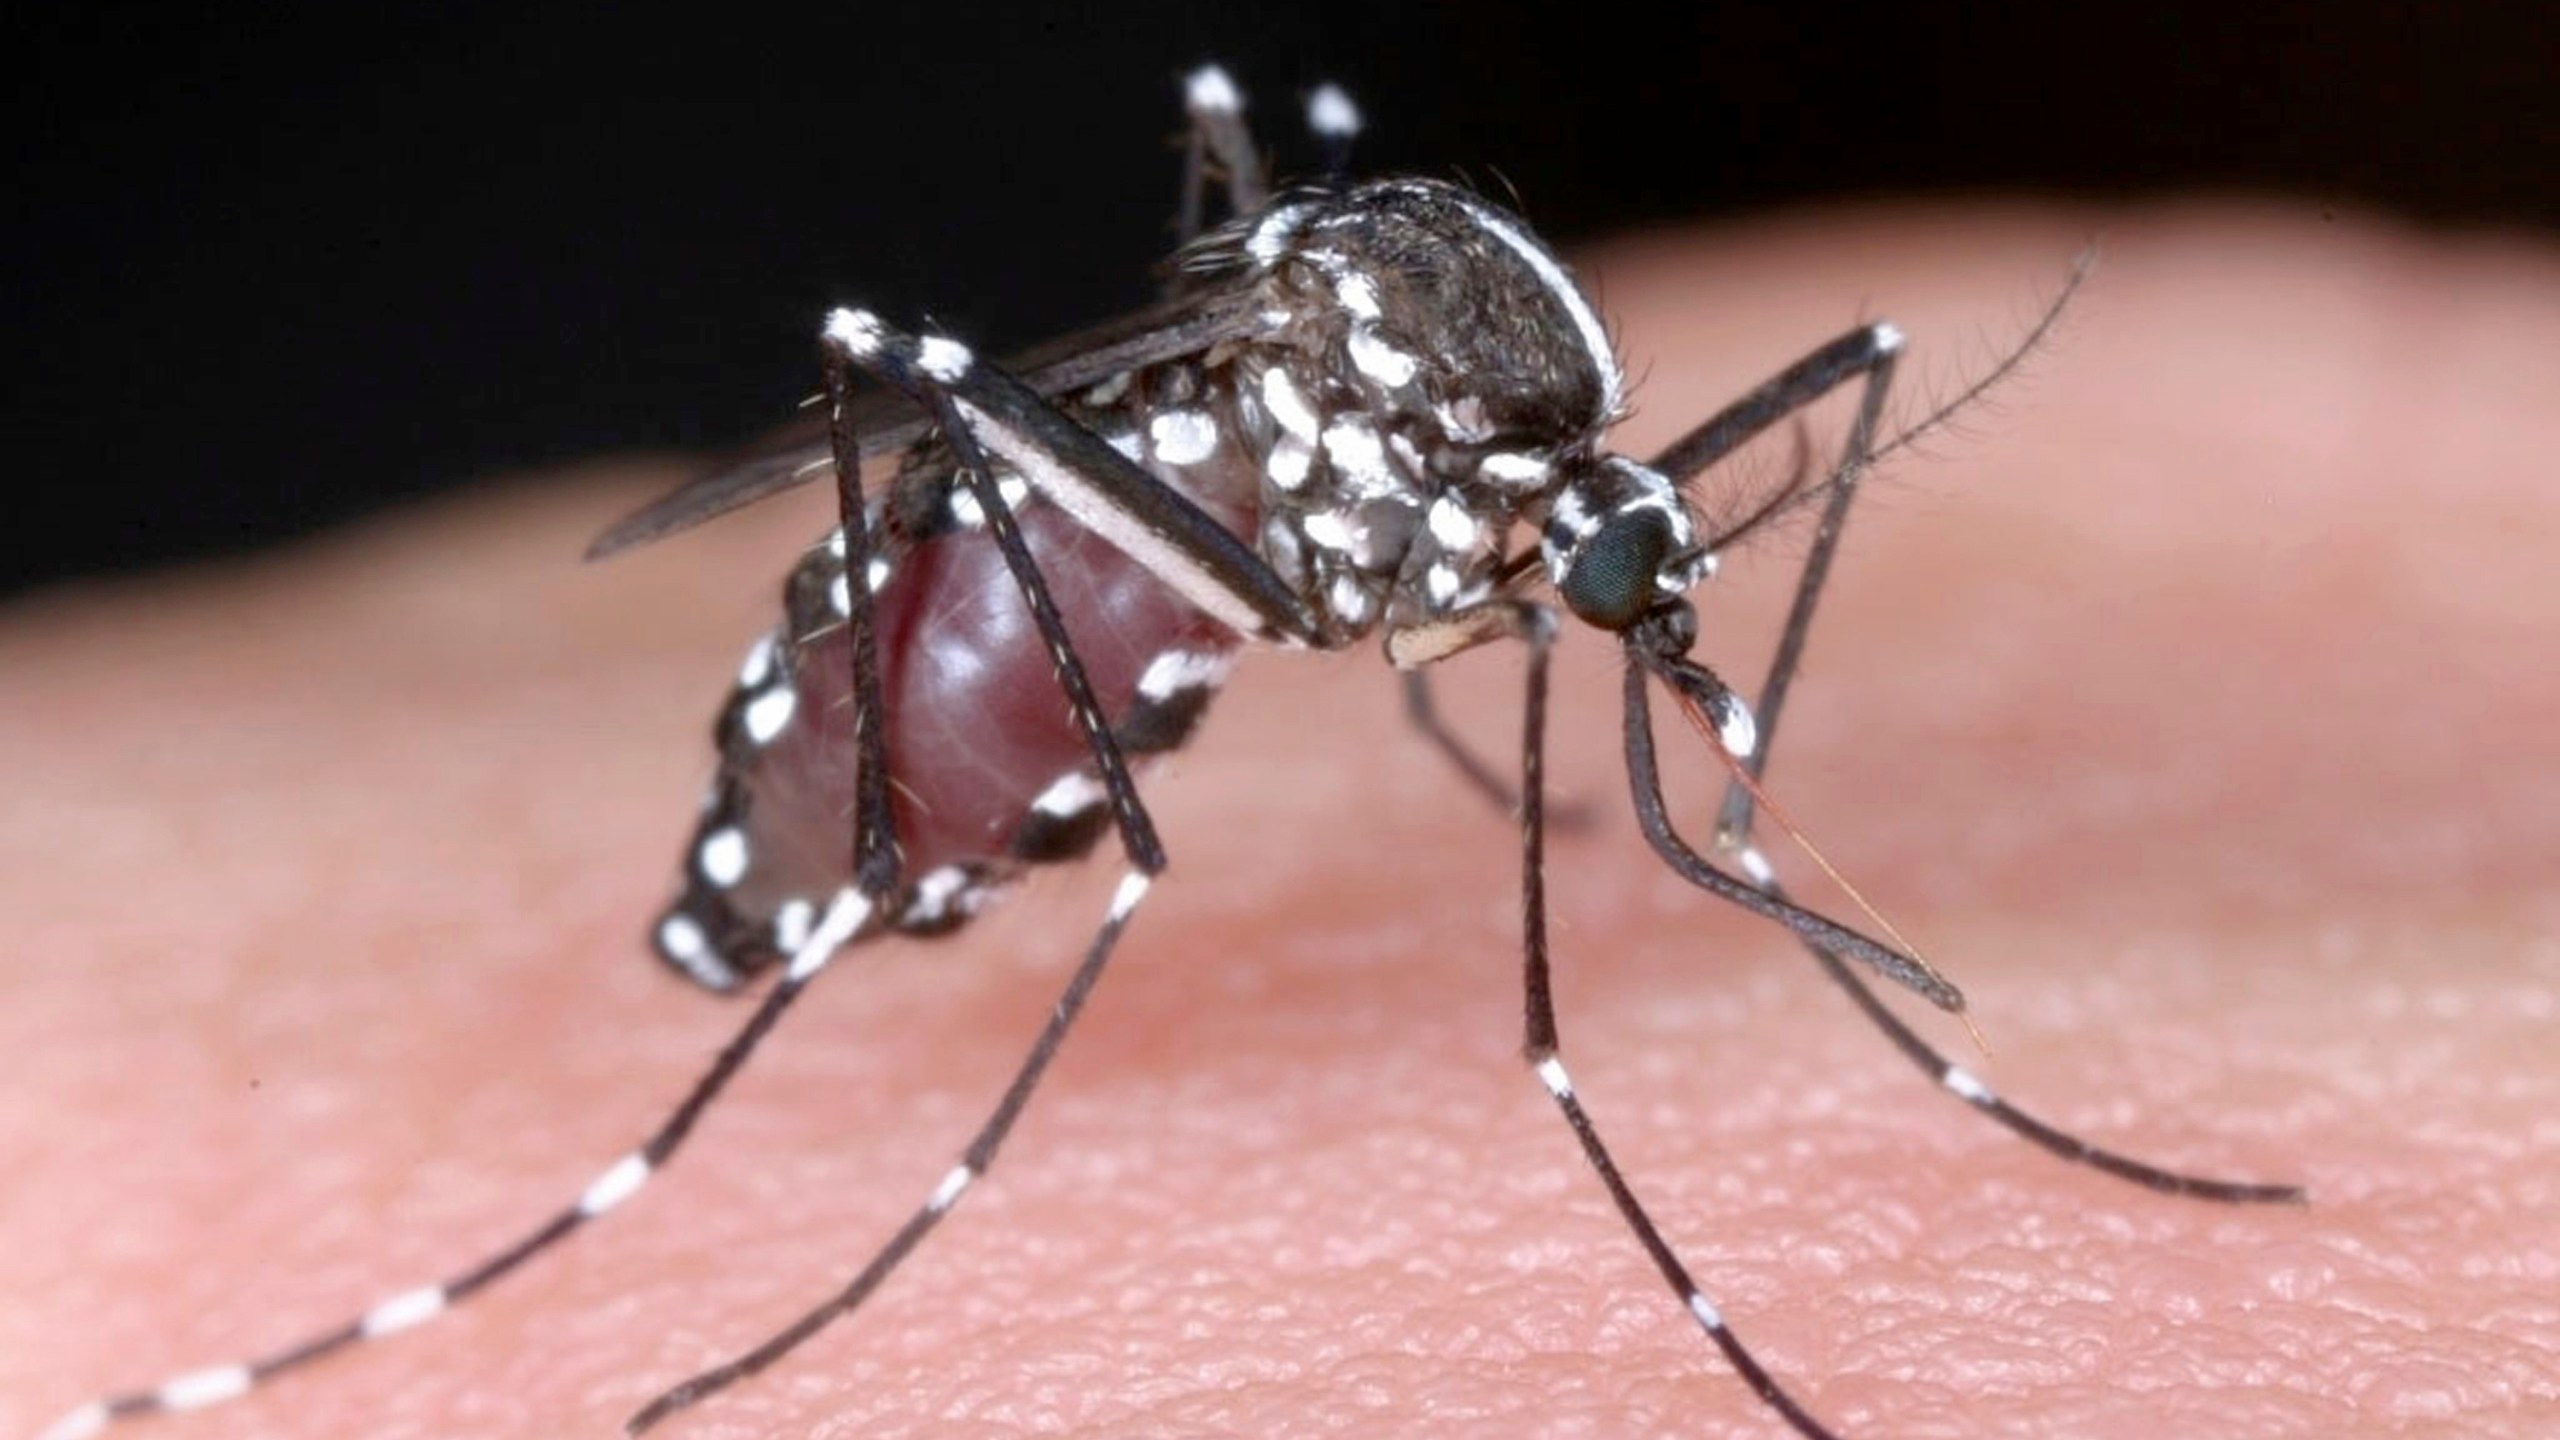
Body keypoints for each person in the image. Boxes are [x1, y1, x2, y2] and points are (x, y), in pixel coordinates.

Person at [6, 205, 2553, 1438]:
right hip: (1010, 592)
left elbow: (1660, 497)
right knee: (1083, 706)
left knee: (1844, 355)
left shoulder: (1542, 466)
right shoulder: (1433, 468)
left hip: (1266, 496)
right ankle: (775, 1205)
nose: (1599, 595)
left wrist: (1696, 728)